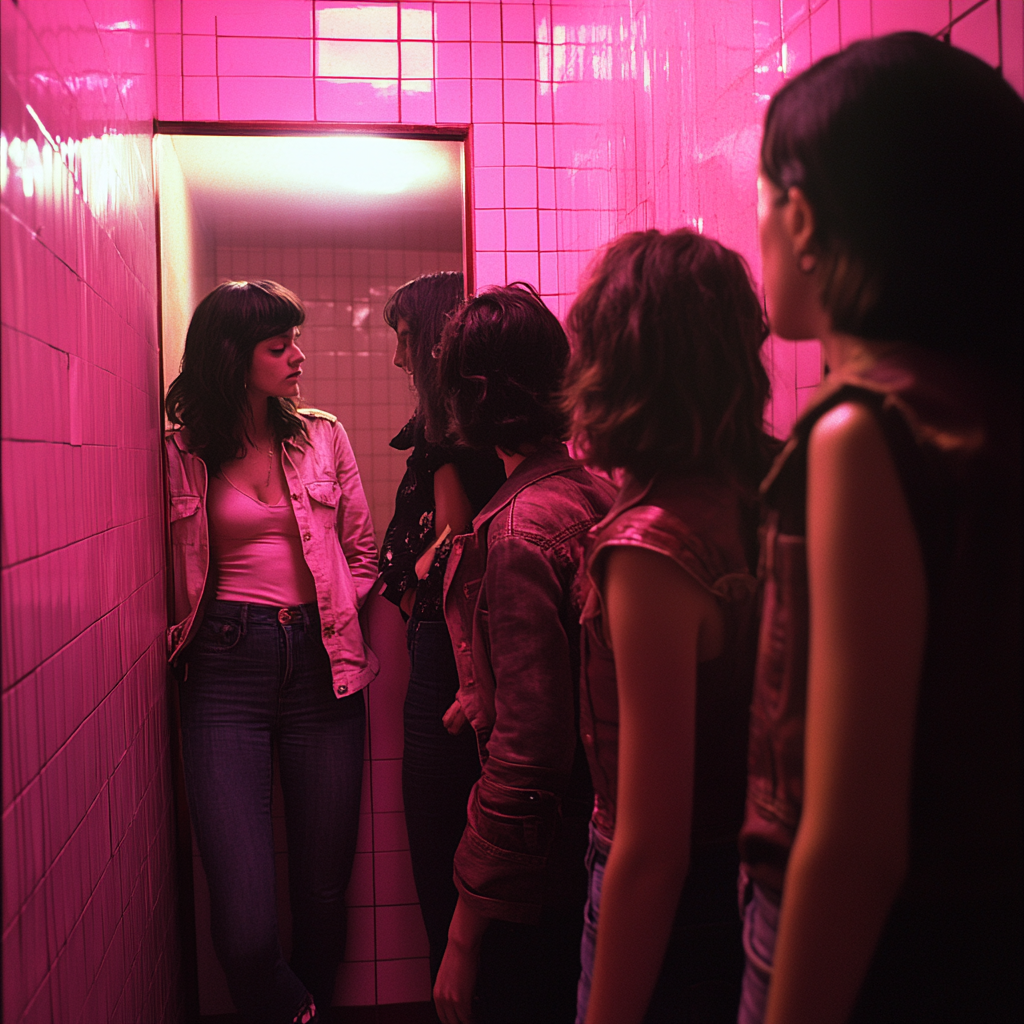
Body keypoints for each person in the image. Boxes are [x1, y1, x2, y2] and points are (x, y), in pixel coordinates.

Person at [739, 32, 1023, 1024]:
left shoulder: (863, 433)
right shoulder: (984, 409)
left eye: (763, 203)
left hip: (875, 956)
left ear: (805, 217)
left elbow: (852, 838)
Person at [563, 229, 777, 1024]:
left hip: (682, 908)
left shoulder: (651, 547)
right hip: (757, 883)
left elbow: (652, 848)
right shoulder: (786, 481)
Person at [165, 280, 379, 1024]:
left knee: (323, 890)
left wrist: (331, 620)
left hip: (324, 667)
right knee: (248, 918)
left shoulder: (322, 435)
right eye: (278, 346)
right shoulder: (181, 452)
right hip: (224, 670)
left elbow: (361, 554)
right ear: (233, 357)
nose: (298, 357)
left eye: (295, 341)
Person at [431, 284, 615, 1024]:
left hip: (545, 864)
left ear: (472, 395)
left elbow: (531, 749)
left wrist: (464, 934)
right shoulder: (593, 492)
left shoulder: (515, 532)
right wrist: (481, 692)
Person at [377, 272, 506, 981]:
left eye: (403, 338)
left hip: (446, 658)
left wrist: (409, 579)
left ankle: (453, 982)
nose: (399, 358)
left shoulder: (449, 436)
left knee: (438, 836)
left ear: (430, 341)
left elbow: (455, 545)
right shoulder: (464, 431)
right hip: (447, 650)